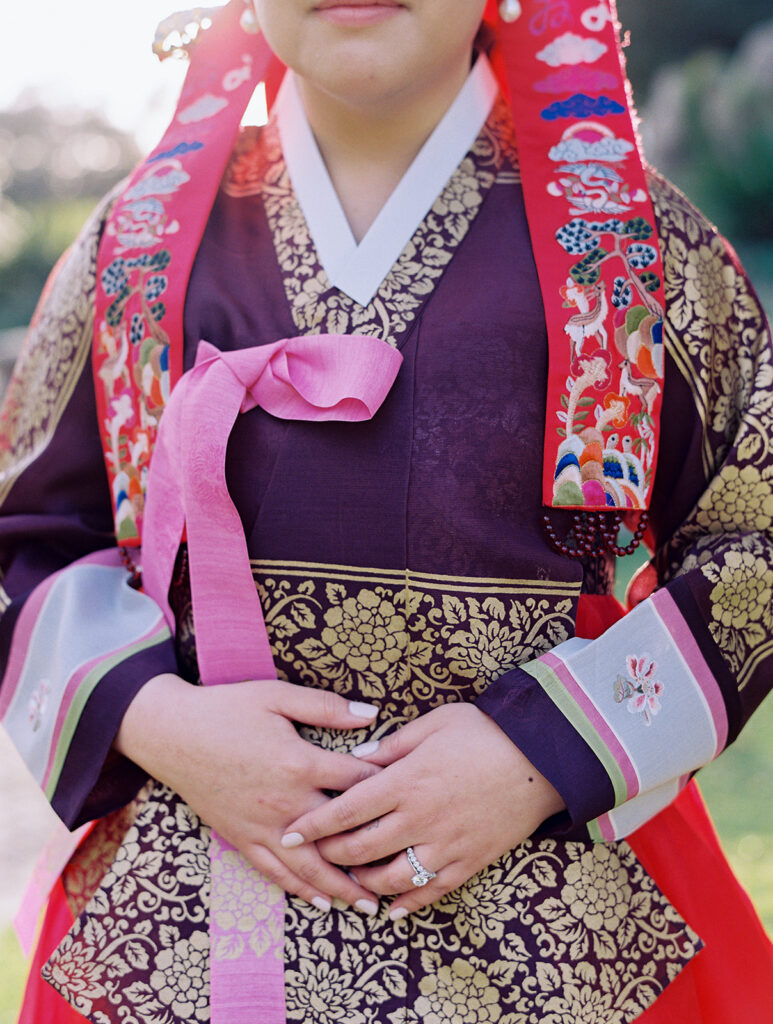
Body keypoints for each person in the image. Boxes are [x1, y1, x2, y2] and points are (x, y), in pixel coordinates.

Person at [1, 0, 772, 1021]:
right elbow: (28, 544)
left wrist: (539, 749)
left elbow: (750, 538)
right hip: (189, 926)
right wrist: (163, 720)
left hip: (568, 930)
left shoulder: (638, 252)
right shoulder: (132, 255)